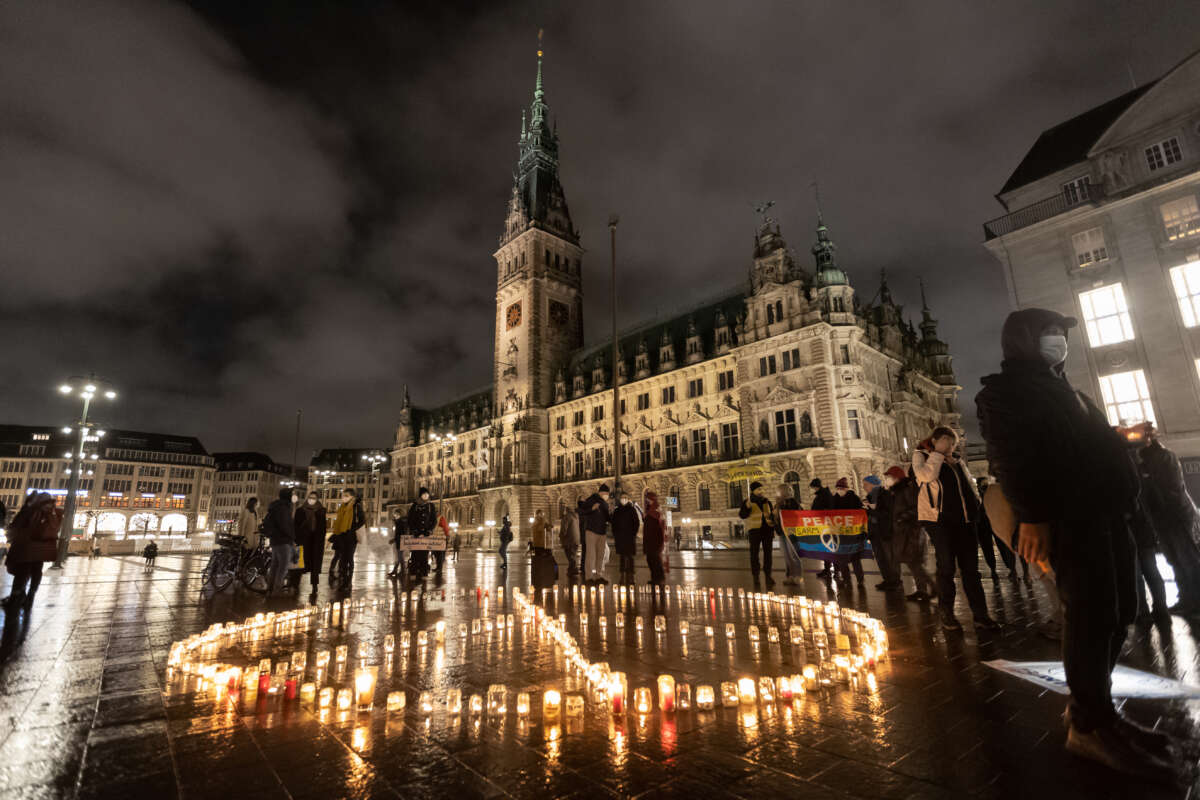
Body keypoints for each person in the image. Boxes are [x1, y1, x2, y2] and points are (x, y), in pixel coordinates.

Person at [976, 307, 1174, 777]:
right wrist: (1034, 518)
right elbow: (1012, 458)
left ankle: (1099, 711)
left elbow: (1081, 445)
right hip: (1070, 518)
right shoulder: (1003, 393)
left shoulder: (1067, 389)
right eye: (1047, 332)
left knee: (1122, 609)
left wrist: (1122, 440)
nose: (1057, 340)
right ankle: (1087, 725)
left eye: (1059, 333)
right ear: (1023, 339)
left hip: (1107, 514)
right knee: (1091, 615)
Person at [912, 429, 998, 632]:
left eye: (953, 443)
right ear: (934, 440)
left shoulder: (957, 461)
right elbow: (925, 476)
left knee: (971, 570)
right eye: (945, 441)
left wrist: (976, 508)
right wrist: (937, 454)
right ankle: (947, 614)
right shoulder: (922, 456)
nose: (950, 446)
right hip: (939, 521)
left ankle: (981, 615)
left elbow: (970, 486)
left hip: (966, 521)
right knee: (946, 568)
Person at [1139, 430, 1200, 614]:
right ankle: (1186, 598)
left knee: (1187, 558)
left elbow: (1169, 489)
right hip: (1163, 519)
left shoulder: (1164, 457)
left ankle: (1195, 599)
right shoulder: (1145, 461)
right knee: (1174, 559)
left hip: (1176, 516)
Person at [0, 492, 61, 612]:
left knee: (21, 573)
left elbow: (20, 525)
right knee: (36, 572)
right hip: (43, 550)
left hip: (27, 548)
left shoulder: (33, 510)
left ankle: (15, 599)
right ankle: (29, 598)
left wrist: (26, 507)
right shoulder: (52, 512)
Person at [884, 466, 937, 601]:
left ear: (896, 478)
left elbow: (916, 508)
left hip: (911, 532)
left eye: (888, 477)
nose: (886, 480)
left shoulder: (906, 489)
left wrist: (902, 518)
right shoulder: (896, 492)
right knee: (912, 563)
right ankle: (922, 590)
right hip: (904, 533)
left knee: (915, 563)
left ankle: (934, 587)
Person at [864, 475, 902, 591]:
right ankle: (887, 579)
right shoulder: (869, 497)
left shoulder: (884, 495)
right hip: (874, 532)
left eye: (865, 484)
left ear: (873, 484)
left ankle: (895, 580)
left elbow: (887, 514)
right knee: (880, 557)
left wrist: (872, 509)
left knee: (889, 557)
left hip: (885, 531)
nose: (864, 487)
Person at [739, 481, 777, 586]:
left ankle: (768, 576)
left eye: (762, 489)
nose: (761, 491)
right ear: (753, 491)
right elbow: (742, 515)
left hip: (767, 531)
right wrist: (746, 507)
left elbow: (771, 516)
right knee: (754, 555)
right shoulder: (748, 502)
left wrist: (773, 517)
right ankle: (756, 577)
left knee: (768, 555)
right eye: (759, 489)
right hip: (754, 531)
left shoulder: (767, 501)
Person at [830, 478, 866, 587]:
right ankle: (846, 579)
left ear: (846, 489)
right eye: (838, 488)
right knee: (842, 559)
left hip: (853, 534)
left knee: (855, 558)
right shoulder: (834, 499)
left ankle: (860, 579)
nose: (839, 490)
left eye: (841, 488)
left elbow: (860, 514)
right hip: (840, 535)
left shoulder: (854, 499)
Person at [262, 488, 298, 595]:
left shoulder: (276, 506)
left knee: (274, 566)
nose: (293, 496)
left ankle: (270, 588)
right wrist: (292, 537)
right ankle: (276, 591)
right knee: (282, 568)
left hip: (275, 540)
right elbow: (285, 525)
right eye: (292, 494)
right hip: (283, 541)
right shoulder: (283, 508)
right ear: (287, 496)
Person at [294, 491, 327, 602]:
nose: (311, 499)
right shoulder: (300, 510)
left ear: (317, 499)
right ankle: (295, 584)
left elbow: (323, 528)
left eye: (314, 498)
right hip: (303, 541)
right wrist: (296, 539)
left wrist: (322, 542)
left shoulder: (321, 511)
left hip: (316, 542)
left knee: (314, 566)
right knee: (300, 563)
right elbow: (296, 526)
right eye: (310, 497)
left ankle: (314, 586)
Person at [330, 489, 365, 588]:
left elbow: (362, 521)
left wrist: (353, 529)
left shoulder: (356, 507)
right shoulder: (342, 507)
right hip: (341, 536)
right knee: (342, 560)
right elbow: (339, 522)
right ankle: (343, 579)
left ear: (352, 497)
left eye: (346, 495)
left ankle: (348, 581)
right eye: (343, 495)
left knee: (349, 558)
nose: (343, 497)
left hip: (351, 537)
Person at [579, 483, 611, 584]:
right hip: (592, 531)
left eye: (607, 493)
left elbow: (607, 518)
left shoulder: (605, 503)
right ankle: (589, 577)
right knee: (591, 555)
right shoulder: (591, 500)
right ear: (600, 492)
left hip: (602, 532)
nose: (606, 495)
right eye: (605, 493)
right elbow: (580, 511)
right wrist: (591, 509)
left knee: (600, 555)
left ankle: (598, 575)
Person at [774, 484, 802, 585]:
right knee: (786, 556)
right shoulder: (777, 505)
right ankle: (790, 576)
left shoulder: (793, 503)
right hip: (782, 533)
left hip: (791, 533)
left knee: (793, 555)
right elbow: (776, 520)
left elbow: (798, 515)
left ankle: (798, 576)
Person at [406, 488, 437, 577]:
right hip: (416, 535)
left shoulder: (431, 506)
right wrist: (414, 530)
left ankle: (424, 573)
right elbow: (410, 519)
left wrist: (429, 530)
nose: (426, 496)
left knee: (424, 555)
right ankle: (413, 573)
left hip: (426, 535)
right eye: (424, 494)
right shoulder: (414, 505)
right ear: (420, 495)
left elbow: (433, 520)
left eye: (427, 494)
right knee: (415, 555)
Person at [612, 492, 641, 584]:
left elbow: (636, 523)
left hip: (629, 537)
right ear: (620, 499)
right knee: (622, 557)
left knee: (630, 557)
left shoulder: (632, 509)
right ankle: (622, 575)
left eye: (625, 497)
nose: (623, 499)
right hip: (620, 538)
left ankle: (631, 575)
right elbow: (614, 524)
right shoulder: (617, 511)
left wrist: (633, 533)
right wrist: (616, 534)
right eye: (622, 497)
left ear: (628, 499)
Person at [810, 478, 834, 578]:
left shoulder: (823, 495)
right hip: (822, 525)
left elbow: (828, 509)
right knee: (825, 548)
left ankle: (831, 570)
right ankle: (827, 569)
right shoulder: (821, 495)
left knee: (828, 548)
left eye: (813, 487)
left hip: (826, 525)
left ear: (816, 487)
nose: (813, 490)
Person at [643, 491, 667, 586]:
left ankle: (660, 578)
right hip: (649, 539)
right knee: (650, 559)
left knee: (655, 560)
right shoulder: (649, 510)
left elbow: (660, 525)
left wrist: (661, 540)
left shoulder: (656, 509)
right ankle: (654, 577)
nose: (647, 501)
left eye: (649, 499)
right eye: (647, 499)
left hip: (655, 539)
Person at [559, 503, 581, 579]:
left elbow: (564, 529)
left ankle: (574, 569)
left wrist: (561, 536)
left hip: (569, 540)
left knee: (570, 555)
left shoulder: (567, 517)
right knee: (573, 555)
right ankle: (571, 569)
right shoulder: (576, 517)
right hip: (576, 539)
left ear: (566, 510)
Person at [387, 506, 407, 578]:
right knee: (398, 557)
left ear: (400, 515)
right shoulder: (398, 522)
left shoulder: (402, 522)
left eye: (397, 514)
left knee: (400, 557)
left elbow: (401, 534)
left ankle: (402, 571)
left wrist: (394, 539)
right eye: (394, 514)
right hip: (399, 541)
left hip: (401, 542)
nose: (395, 515)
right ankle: (397, 570)